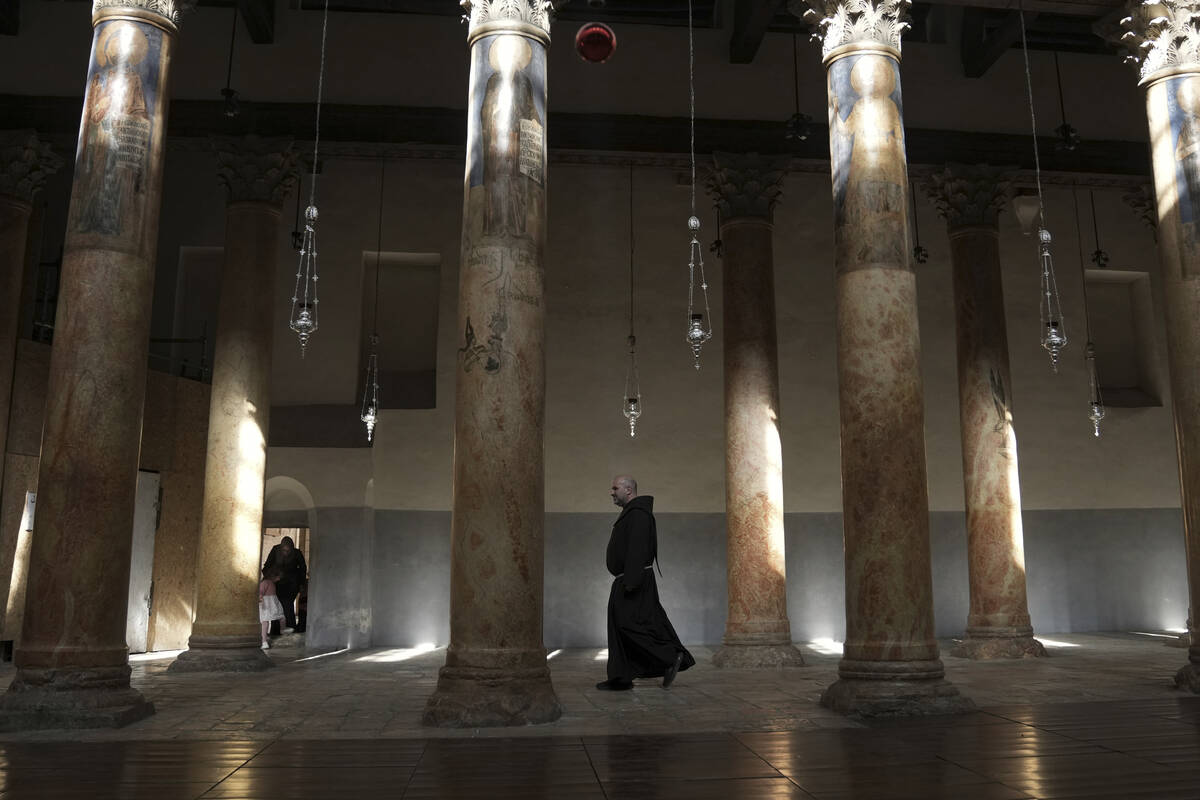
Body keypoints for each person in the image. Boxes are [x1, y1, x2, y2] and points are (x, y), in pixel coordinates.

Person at [597, 475, 695, 691]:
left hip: (634, 579)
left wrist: (631, 581)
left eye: (615, 488)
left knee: (630, 625)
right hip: (626, 579)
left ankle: (672, 657)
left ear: (629, 490)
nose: (611, 492)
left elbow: (637, 549)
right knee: (619, 626)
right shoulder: (631, 513)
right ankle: (620, 677)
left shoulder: (639, 515)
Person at [262, 536, 307, 634]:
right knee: (276, 606)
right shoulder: (275, 550)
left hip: (291, 584)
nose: (286, 553)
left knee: (287, 605)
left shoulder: (297, 553)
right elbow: (267, 566)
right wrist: (270, 579)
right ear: (281, 547)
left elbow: (303, 569)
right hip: (277, 583)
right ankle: (275, 631)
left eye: (288, 551)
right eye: (284, 550)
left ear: (292, 548)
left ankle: (290, 629)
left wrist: (301, 584)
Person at [258, 566, 285, 650]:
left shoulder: (272, 583)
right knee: (265, 622)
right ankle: (264, 641)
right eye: (278, 577)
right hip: (267, 604)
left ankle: (282, 630)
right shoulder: (265, 582)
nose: (279, 579)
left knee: (282, 617)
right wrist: (260, 597)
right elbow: (260, 592)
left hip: (273, 603)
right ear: (272, 576)